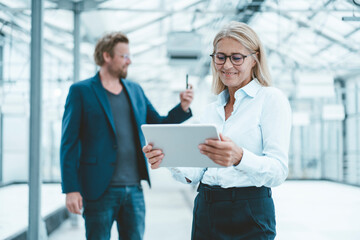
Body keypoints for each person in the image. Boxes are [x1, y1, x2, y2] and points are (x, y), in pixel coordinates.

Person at [143, 21, 291, 240]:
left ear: (255, 58)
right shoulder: (211, 110)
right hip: (207, 208)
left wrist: (240, 157)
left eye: (236, 57)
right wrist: (168, 158)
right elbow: (195, 174)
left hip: (250, 211)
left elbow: (278, 171)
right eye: (220, 57)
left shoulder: (270, 100)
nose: (227, 65)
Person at [60, 32, 193, 240]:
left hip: (134, 189)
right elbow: (68, 143)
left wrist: (182, 108)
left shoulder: (135, 90)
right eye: (124, 56)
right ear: (107, 56)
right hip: (98, 190)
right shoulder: (81, 91)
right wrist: (71, 189)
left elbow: (158, 124)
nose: (129, 61)